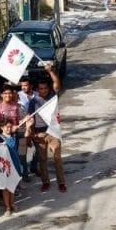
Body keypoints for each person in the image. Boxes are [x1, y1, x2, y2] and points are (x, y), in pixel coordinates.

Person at [30, 63, 66, 193]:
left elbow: (57, 83)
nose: (43, 90)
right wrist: (32, 133)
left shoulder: (52, 96)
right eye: (41, 88)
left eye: (45, 88)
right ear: (37, 89)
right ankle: (45, 182)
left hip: (53, 131)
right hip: (39, 134)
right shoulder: (33, 102)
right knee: (42, 160)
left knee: (57, 158)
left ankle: (61, 182)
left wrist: (51, 71)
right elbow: (31, 118)